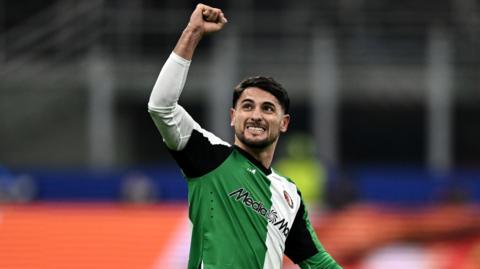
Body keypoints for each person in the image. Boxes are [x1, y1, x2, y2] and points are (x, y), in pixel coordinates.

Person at [147, 4, 342, 269]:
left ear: (284, 123)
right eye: (247, 106)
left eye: (268, 108)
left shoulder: (288, 195)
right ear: (232, 116)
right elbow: (161, 107)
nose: (256, 115)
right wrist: (193, 32)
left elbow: (317, 262)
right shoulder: (209, 158)